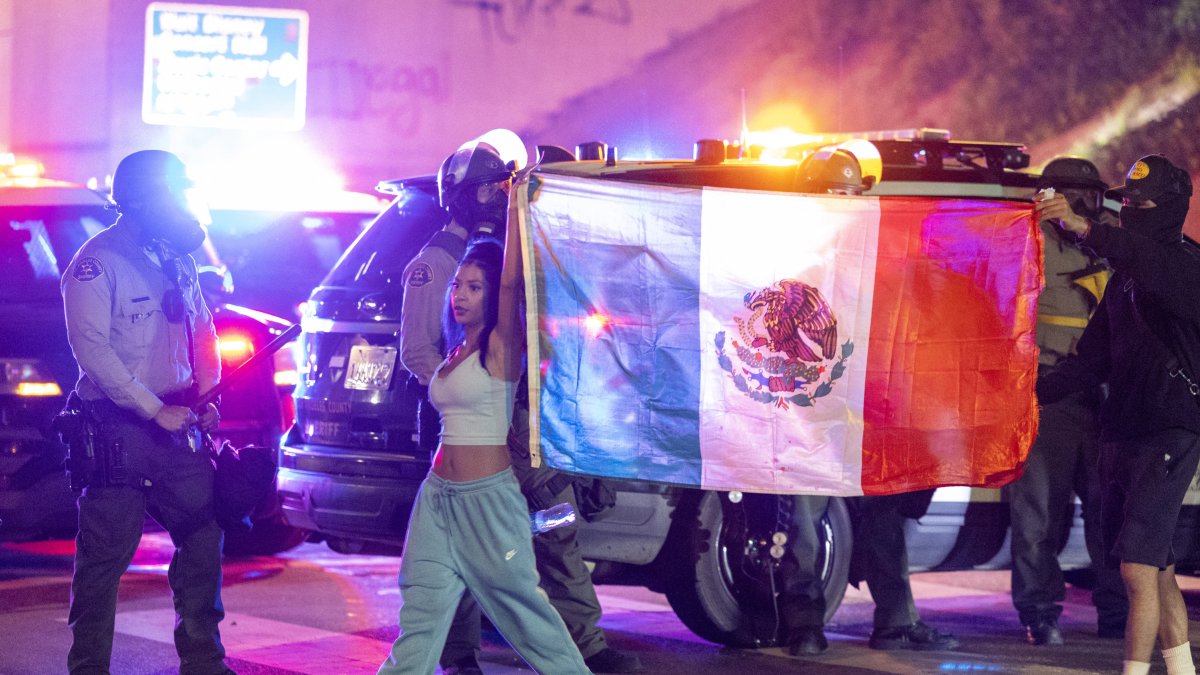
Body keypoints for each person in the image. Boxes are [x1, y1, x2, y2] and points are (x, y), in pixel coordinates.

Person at [399, 137, 640, 674]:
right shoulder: (439, 261)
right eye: (488, 186)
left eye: (500, 185)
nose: (495, 194)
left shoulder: (523, 247)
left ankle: (583, 645)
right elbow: (419, 349)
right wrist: (466, 385)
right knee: (459, 550)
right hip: (476, 426)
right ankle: (462, 657)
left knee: (554, 523)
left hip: (528, 418)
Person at [377, 173, 590, 673]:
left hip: (486, 501)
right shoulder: (455, 351)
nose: (460, 295)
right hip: (438, 498)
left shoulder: (500, 349)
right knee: (421, 614)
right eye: (457, 285)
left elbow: (512, 282)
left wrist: (516, 210)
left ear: (493, 296)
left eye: (475, 287)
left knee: (526, 615)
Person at [61, 150, 231, 674]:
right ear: (141, 200)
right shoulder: (97, 262)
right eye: (173, 193)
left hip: (180, 426)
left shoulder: (176, 258)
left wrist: (208, 395)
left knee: (203, 538)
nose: (182, 204)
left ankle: (203, 661)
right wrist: (155, 410)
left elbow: (202, 330)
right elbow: (92, 351)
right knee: (105, 558)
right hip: (118, 430)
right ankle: (89, 668)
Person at [782, 150, 958, 656]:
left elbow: (914, 315)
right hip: (811, 409)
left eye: (851, 195)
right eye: (837, 194)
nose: (846, 204)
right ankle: (804, 625)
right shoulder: (786, 250)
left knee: (884, 517)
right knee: (804, 525)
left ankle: (894, 621)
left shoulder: (885, 249)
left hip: (873, 405)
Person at [1037, 154, 1199, 675]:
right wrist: (1032, 393)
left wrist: (1084, 228)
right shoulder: (1125, 279)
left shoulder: (1184, 265)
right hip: (1122, 431)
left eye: (1145, 205)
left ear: (1171, 208)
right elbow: (1092, 359)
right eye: (1127, 203)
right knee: (1157, 567)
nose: (1133, 212)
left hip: (1170, 432)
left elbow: (1144, 258)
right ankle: (1181, 670)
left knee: (1135, 568)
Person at [1008, 156, 1128, 645]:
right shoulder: (1025, 239)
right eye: (1071, 194)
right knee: (1038, 514)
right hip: (1048, 395)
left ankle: (1118, 614)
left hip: (1107, 401)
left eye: (1090, 196)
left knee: (1112, 515)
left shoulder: (1112, 239)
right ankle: (1040, 612)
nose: (1082, 205)